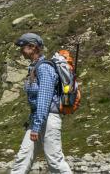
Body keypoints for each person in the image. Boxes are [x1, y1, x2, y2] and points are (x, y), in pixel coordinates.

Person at [10, 33, 72, 174]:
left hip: (48, 119)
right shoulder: (34, 67)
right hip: (37, 119)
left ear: (32, 47)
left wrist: (36, 126)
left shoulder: (44, 68)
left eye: (22, 47)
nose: (20, 50)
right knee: (22, 158)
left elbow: (44, 99)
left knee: (55, 161)